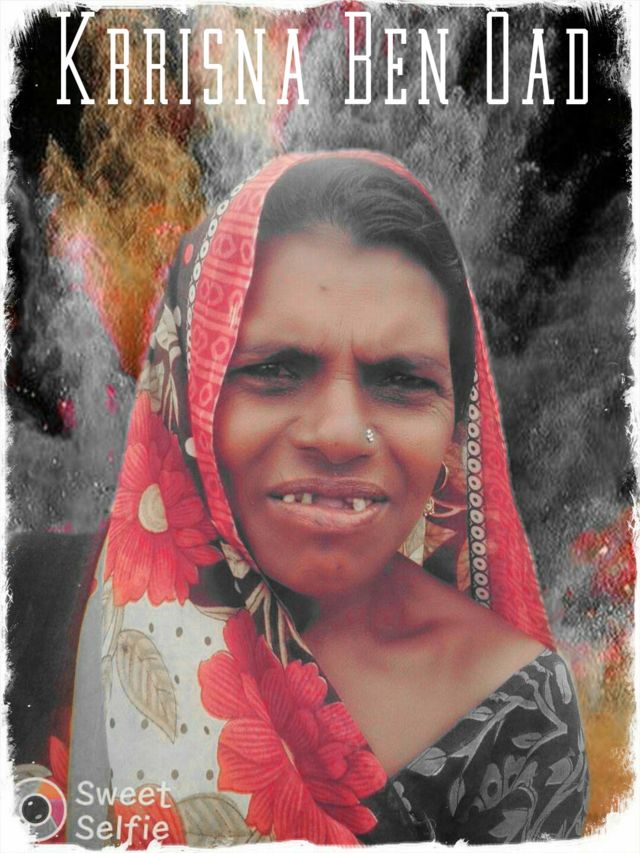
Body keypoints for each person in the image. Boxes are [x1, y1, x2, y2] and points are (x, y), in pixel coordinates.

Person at [59, 151, 587, 846]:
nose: (340, 434)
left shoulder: (518, 708)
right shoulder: (110, 613)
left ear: (455, 431)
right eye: (275, 369)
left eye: (402, 380)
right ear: (189, 398)